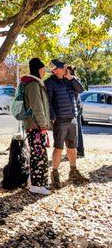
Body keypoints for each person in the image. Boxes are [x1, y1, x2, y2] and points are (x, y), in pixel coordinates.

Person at [45, 59, 89, 189]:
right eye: (62, 67)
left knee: (72, 147)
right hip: (60, 120)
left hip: (73, 119)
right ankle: (55, 174)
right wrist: (53, 118)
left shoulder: (69, 80)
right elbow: (48, 102)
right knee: (58, 147)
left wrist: (71, 77)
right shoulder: (49, 83)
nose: (65, 68)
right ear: (56, 70)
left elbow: (81, 90)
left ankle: (73, 172)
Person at [20, 58, 51, 195]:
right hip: (36, 126)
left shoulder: (35, 83)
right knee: (38, 155)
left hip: (36, 125)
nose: (44, 72)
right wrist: (43, 125)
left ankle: (41, 183)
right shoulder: (33, 85)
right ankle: (36, 185)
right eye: (43, 69)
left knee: (40, 154)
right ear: (38, 69)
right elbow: (37, 107)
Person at [68, 65, 85, 157]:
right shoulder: (76, 79)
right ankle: (79, 150)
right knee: (77, 129)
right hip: (77, 107)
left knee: (76, 130)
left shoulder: (73, 80)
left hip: (76, 108)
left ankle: (79, 151)